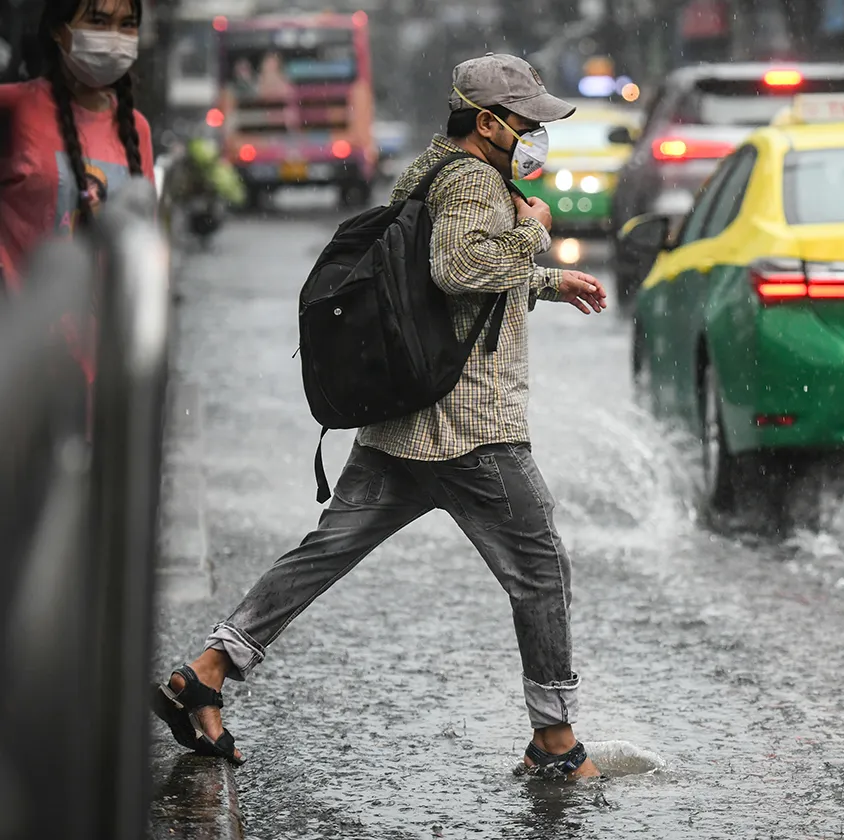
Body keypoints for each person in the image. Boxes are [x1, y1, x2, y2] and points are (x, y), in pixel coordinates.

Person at [151, 53, 608, 781]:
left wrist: (549, 284)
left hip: (404, 422)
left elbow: (442, 281)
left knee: (325, 552)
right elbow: (461, 270)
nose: (537, 137)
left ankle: (209, 669)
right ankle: (555, 741)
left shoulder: (430, 169)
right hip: (469, 428)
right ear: (488, 123)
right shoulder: (473, 183)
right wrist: (536, 231)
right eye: (528, 124)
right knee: (541, 570)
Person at [0, 0, 152, 294]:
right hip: (23, 334)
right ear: (59, 30)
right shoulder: (14, 110)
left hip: (105, 336)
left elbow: (142, 249)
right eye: (98, 22)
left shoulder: (136, 129)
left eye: (127, 25)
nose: (114, 38)